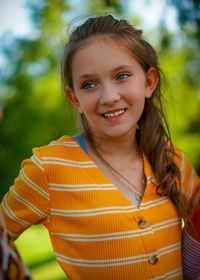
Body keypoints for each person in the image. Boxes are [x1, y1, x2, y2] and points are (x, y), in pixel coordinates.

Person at [1, 15, 200, 280]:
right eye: (89, 85)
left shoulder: (171, 158)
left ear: (149, 83)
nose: (108, 97)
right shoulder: (50, 167)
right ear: (75, 99)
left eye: (121, 76)